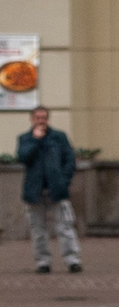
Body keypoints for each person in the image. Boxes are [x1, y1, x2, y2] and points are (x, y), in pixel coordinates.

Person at [17, 106, 80, 275]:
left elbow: (69, 159)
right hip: (34, 191)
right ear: (32, 119)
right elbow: (23, 157)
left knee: (65, 227)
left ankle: (72, 260)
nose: (41, 121)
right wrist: (36, 141)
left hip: (56, 190)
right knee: (38, 230)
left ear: (48, 119)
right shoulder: (25, 139)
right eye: (38, 118)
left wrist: (64, 180)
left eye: (43, 117)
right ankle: (43, 262)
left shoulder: (58, 137)